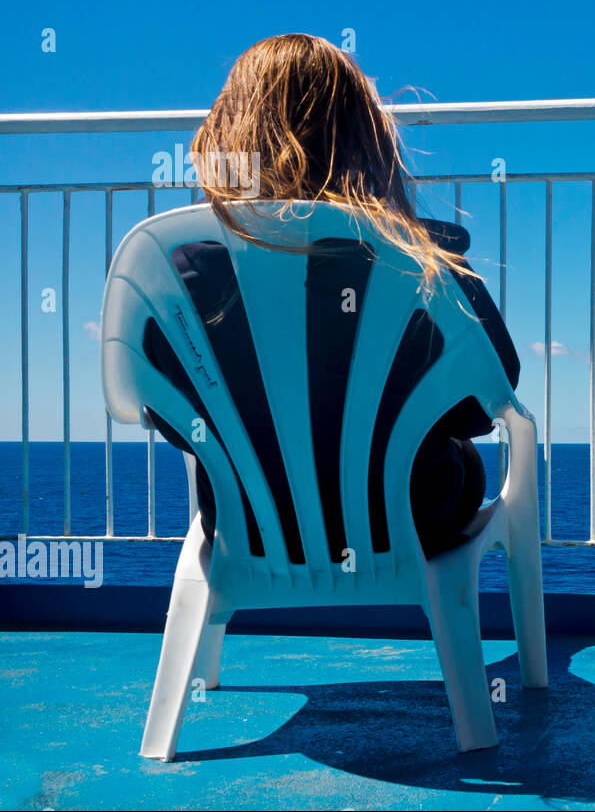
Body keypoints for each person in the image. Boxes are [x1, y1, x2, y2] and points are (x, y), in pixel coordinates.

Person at [145, 33, 518, 562]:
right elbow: (486, 403)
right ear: (367, 141)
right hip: (407, 522)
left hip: (245, 529)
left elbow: (168, 415)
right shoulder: (417, 261)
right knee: (461, 458)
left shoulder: (188, 269)